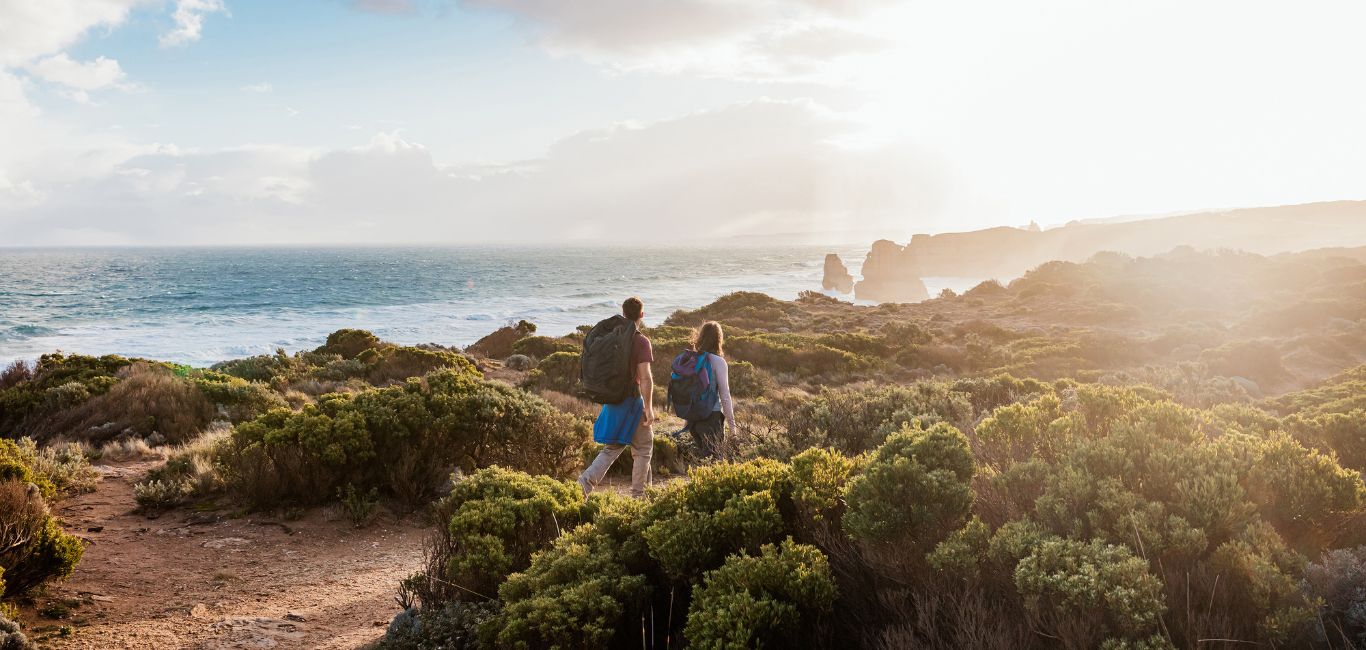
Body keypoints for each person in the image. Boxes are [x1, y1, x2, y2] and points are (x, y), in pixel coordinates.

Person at [579, 297, 654, 498]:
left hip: (614, 400)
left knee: (614, 447)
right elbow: (645, 378)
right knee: (643, 448)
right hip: (631, 401)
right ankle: (639, 496)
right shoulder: (641, 341)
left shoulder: (614, 338)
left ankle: (584, 484)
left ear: (623, 313)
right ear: (641, 315)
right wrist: (649, 407)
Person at [687, 321, 736, 457]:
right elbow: (725, 396)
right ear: (718, 339)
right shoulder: (718, 362)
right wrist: (732, 428)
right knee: (714, 463)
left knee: (704, 461)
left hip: (693, 419)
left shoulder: (692, 359)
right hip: (711, 418)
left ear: (701, 336)